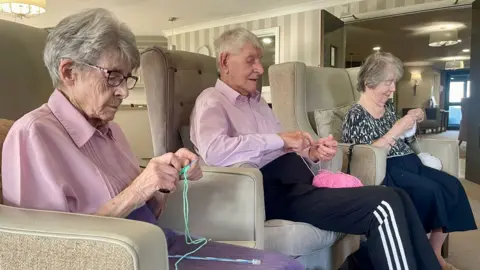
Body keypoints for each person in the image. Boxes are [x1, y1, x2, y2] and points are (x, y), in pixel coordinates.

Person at [1, 9, 303, 270]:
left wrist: (164, 182)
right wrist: (139, 188)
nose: (124, 92)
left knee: (288, 264)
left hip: (159, 245)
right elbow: (47, 253)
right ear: (69, 71)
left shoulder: (112, 131)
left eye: (127, 78)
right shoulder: (33, 135)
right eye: (113, 76)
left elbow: (149, 213)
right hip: (126, 261)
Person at [190, 27, 445, 270]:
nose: (259, 68)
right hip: (261, 192)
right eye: (251, 60)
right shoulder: (211, 100)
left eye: (260, 60)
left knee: (394, 195)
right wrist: (281, 139)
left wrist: (310, 153)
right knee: (383, 204)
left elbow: (280, 150)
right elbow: (215, 151)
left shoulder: (258, 104)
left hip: (295, 184)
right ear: (225, 61)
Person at [341, 52, 476, 270]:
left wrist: (414, 120)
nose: (393, 88)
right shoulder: (355, 114)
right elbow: (364, 155)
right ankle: (425, 256)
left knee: (451, 185)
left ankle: (434, 254)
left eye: (394, 82)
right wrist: (396, 129)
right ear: (369, 82)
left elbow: (408, 139)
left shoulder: (388, 108)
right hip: (388, 169)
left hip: (410, 162)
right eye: (389, 82)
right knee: (431, 191)